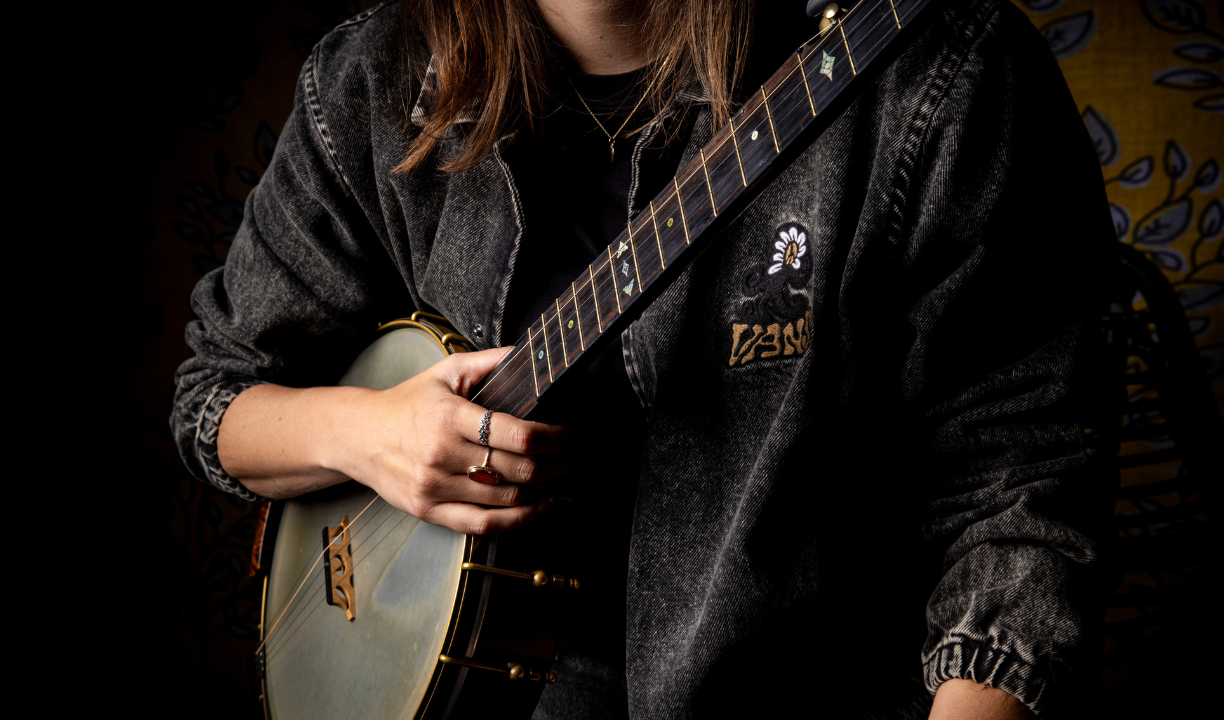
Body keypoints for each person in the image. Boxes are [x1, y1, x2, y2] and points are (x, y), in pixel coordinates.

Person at [171, 0, 1117, 717]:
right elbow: (218, 394)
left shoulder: (933, 70)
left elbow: (1020, 499)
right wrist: (369, 433)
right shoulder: (370, 80)